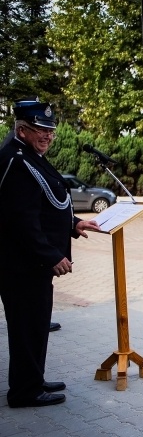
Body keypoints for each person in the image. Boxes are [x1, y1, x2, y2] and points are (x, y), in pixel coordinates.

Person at [0, 99, 101, 408]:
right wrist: (49, 255)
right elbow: (22, 220)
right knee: (27, 327)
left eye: (51, 131)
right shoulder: (16, 161)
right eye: (40, 130)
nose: (47, 136)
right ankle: (24, 391)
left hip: (30, 265)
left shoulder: (29, 156)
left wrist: (74, 223)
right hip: (22, 266)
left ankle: (31, 379)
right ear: (22, 129)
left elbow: (45, 206)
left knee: (33, 325)